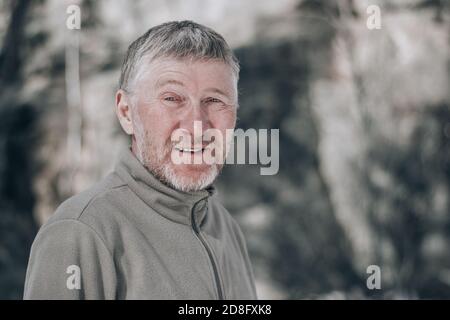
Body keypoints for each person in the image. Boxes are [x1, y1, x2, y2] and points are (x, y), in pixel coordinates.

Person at [23, 20, 257, 300]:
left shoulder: (225, 226)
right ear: (126, 112)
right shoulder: (79, 233)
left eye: (214, 101)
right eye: (172, 98)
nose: (197, 125)